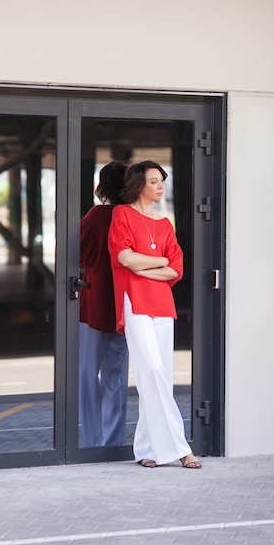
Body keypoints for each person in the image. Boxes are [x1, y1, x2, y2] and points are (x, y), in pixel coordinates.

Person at [108, 161, 201, 468]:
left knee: (159, 376)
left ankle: (147, 449)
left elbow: (176, 269)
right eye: (153, 181)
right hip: (134, 303)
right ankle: (181, 448)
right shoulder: (121, 214)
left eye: (162, 180)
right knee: (153, 371)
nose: (160, 186)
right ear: (138, 185)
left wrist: (144, 263)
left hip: (162, 305)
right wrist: (158, 260)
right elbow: (124, 257)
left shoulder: (165, 225)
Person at [79, 161, 129, 447]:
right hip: (123, 305)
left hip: (93, 304)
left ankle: (91, 440)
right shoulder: (132, 216)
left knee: (86, 374)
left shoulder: (96, 216)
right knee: (116, 377)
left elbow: (78, 254)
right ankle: (113, 441)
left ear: (102, 187)